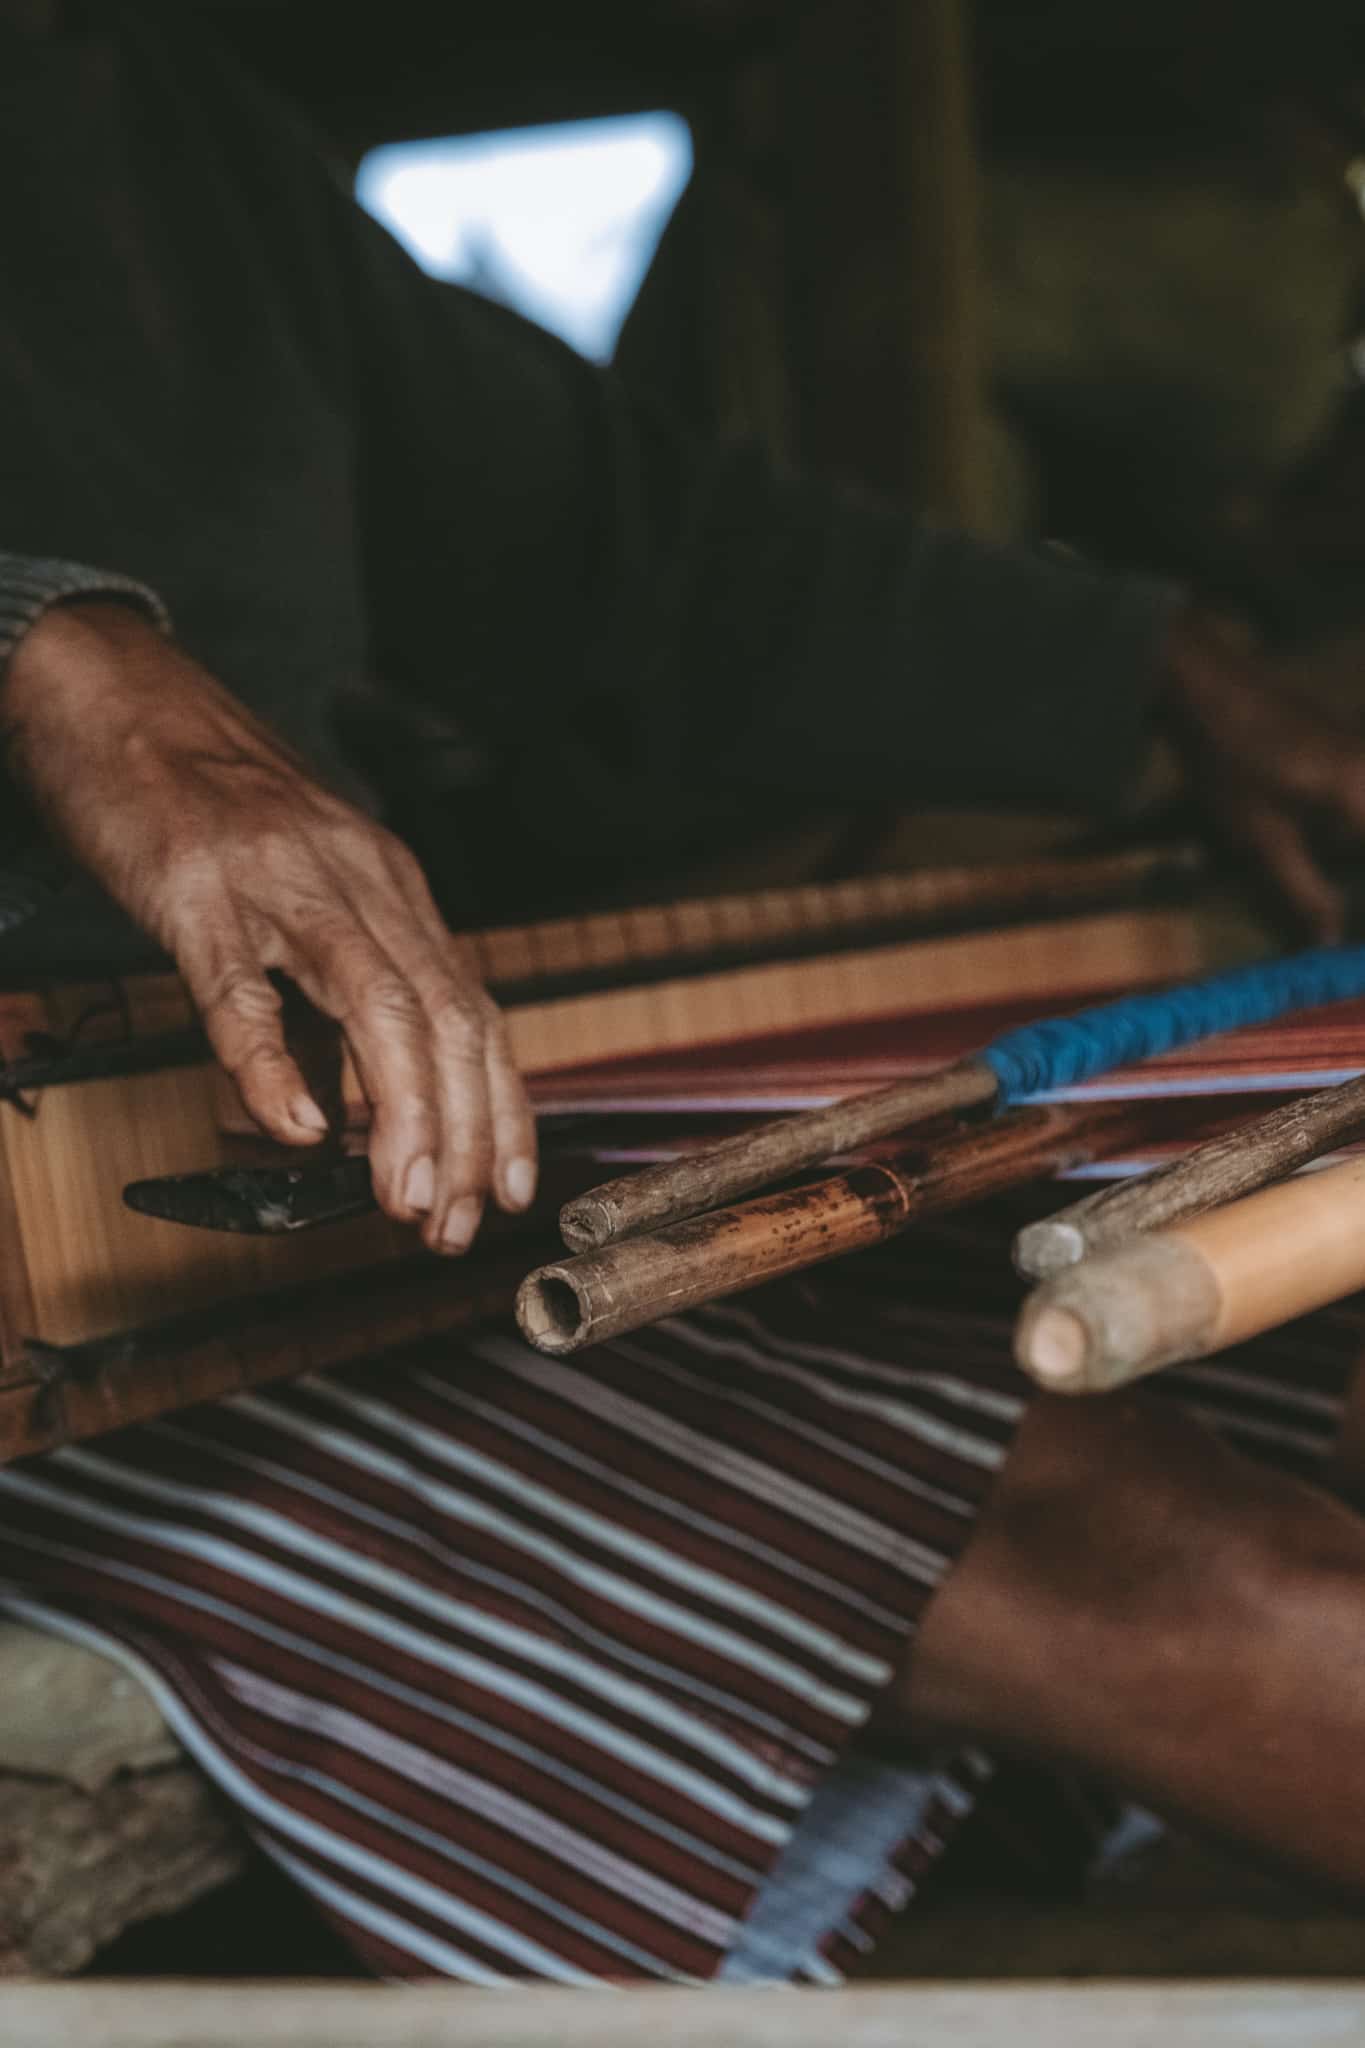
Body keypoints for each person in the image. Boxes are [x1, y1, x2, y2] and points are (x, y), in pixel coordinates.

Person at [5, 0, 1365, 1982]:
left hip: (306, 1203)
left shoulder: (130, 113)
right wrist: (50, 654)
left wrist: (1151, 670)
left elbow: (629, 557)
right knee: (1164, 1560)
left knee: (1277, 1404)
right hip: (73, 1342)